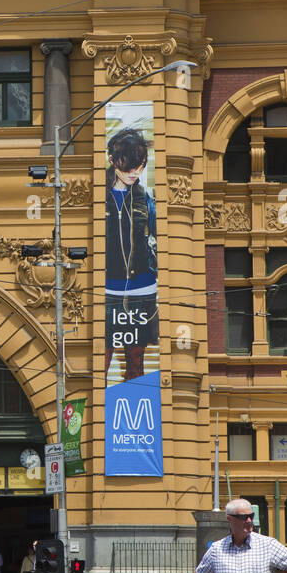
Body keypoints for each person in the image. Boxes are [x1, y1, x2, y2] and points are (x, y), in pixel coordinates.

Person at [102, 125, 159, 383]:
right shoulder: (98, 196)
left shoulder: (144, 199)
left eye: (140, 166)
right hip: (107, 292)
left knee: (136, 366)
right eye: (129, 166)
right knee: (100, 362)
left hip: (140, 291)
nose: (135, 173)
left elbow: (157, 237)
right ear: (114, 161)